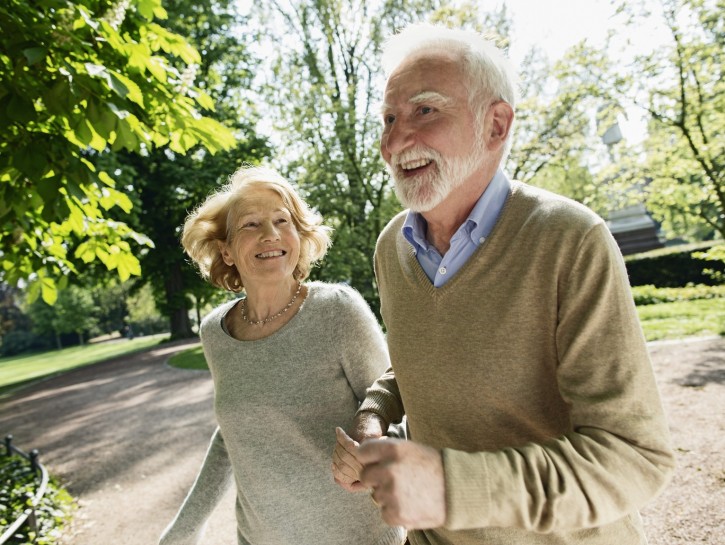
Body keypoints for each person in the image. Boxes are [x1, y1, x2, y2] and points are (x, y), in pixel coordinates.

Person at [332, 23, 675, 545]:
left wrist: (452, 487)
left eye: (425, 110)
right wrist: (375, 414)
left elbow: (633, 457)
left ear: (495, 125)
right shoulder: (391, 248)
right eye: (389, 118)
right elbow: (423, 359)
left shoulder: (571, 239)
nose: (396, 140)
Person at [160, 165, 405, 545]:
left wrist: (373, 452)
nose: (270, 234)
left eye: (282, 220)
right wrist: (184, 530)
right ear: (225, 249)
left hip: (359, 537)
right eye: (250, 224)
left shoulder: (337, 311)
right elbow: (233, 436)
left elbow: (400, 408)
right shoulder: (215, 332)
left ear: (300, 235)